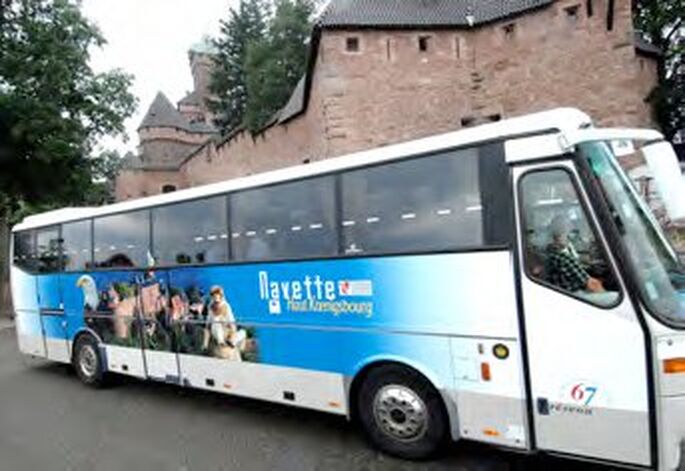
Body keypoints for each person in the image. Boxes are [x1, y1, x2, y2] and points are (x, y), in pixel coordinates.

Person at [545, 215, 605, 294]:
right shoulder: (562, 257)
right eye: (567, 234)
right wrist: (605, 293)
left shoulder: (550, 252)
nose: (569, 238)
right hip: (575, 293)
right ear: (561, 234)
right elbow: (591, 285)